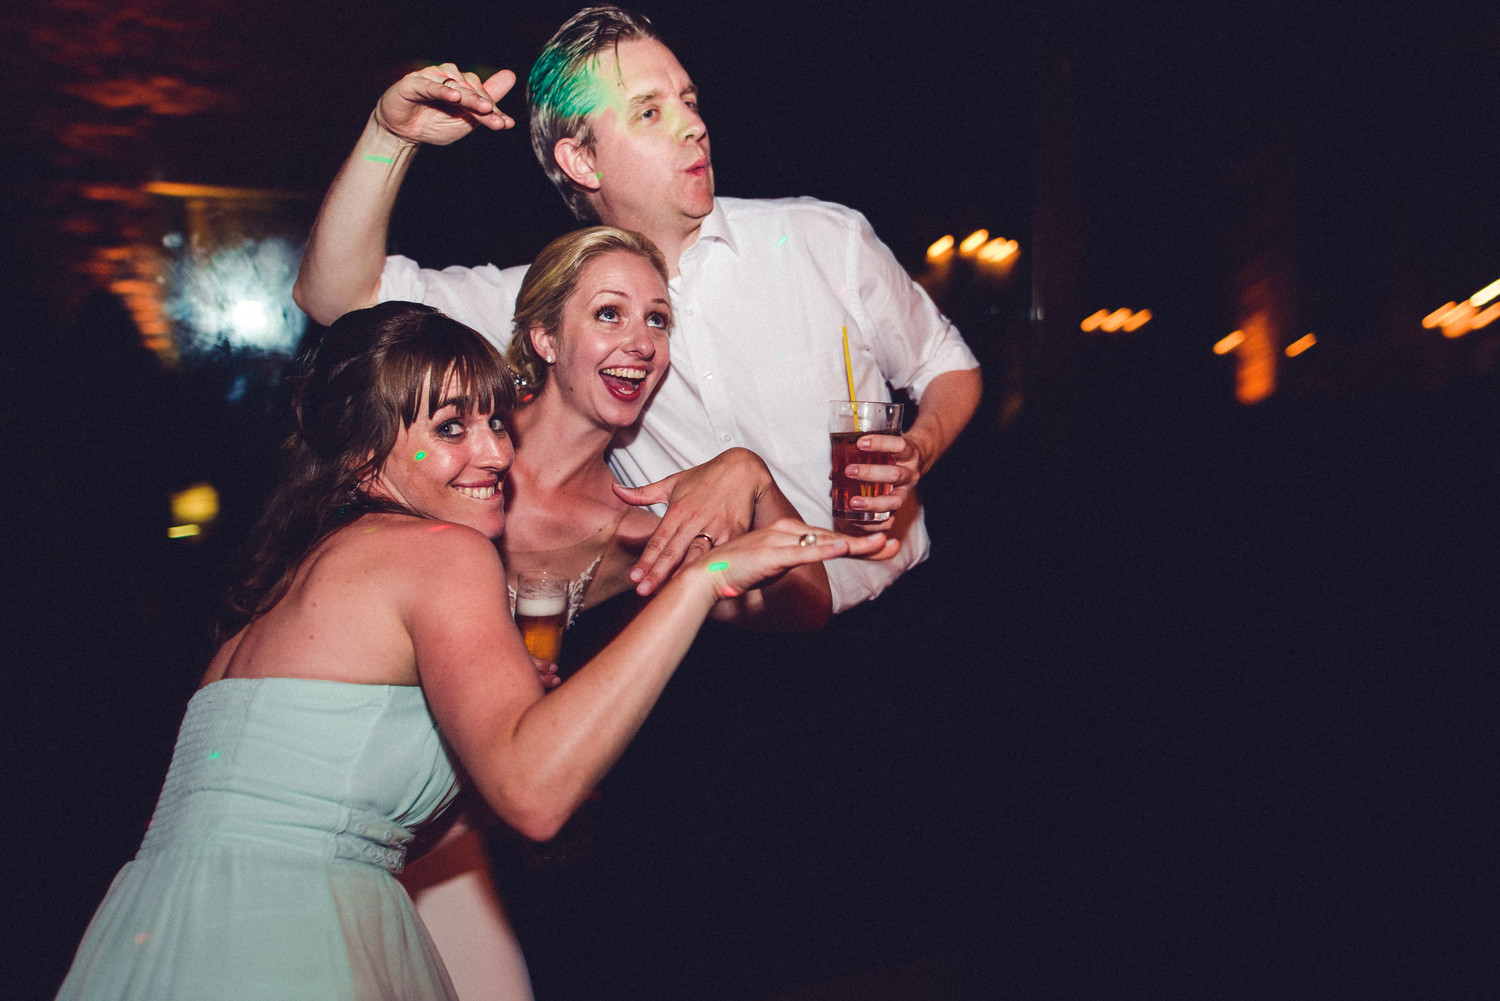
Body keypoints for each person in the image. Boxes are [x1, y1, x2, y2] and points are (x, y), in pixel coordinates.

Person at [53, 301, 889, 1001]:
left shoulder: (275, 601)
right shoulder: (438, 553)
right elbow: (536, 796)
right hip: (292, 946)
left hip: (158, 934)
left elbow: (323, 818)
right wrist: (703, 577)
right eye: (449, 428)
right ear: (361, 454)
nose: (493, 451)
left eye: (493, 419)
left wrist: (496, 756)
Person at [292, 5, 982, 613]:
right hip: (727, 648)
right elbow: (336, 298)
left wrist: (915, 451)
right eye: (651, 111)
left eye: (689, 99)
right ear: (582, 161)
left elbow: (945, 365)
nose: (694, 125)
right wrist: (391, 136)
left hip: (908, 617)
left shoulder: (820, 238)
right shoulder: (551, 302)